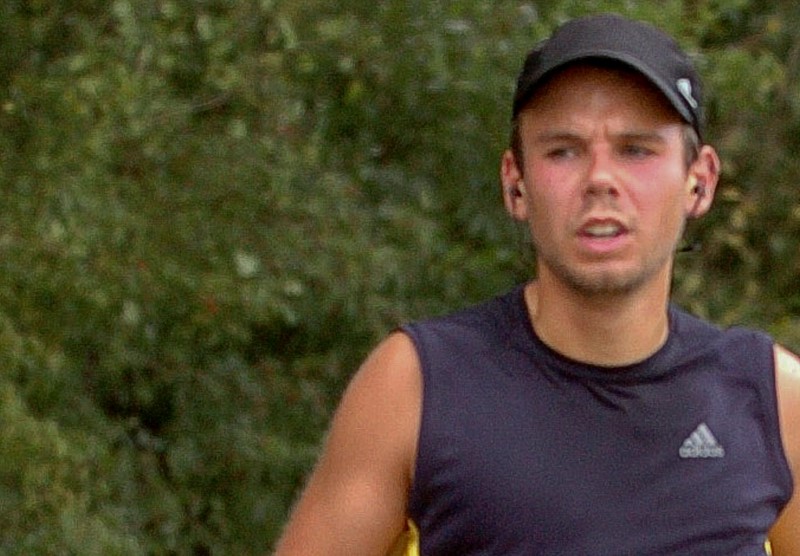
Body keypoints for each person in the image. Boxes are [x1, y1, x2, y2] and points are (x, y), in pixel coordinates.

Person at [275, 13, 800, 555]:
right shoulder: (416, 386)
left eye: (637, 149)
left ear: (700, 181)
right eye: (563, 150)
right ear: (515, 183)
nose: (600, 178)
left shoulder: (772, 400)